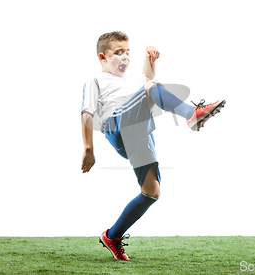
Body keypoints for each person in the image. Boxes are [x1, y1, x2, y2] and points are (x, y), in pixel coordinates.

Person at [80, 31, 225, 261]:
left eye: (127, 53)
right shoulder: (96, 81)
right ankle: (191, 114)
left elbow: (147, 84)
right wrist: (89, 149)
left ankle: (112, 236)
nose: (125, 57)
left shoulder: (132, 79)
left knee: (151, 192)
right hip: (116, 125)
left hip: (138, 133)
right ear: (102, 57)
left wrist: (149, 56)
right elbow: (87, 114)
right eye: (118, 53)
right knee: (151, 86)